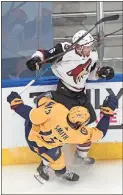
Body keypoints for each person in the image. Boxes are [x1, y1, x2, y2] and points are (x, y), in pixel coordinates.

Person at [26, 30, 114, 164]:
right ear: (78, 47)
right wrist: (36, 60)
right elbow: (44, 53)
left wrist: (101, 73)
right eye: (86, 47)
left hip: (80, 95)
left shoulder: (93, 55)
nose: (89, 49)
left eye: (90, 46)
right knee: (58, 128)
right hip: (64, 93)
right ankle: (46, 163)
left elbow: (89, 74)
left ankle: (80, 157)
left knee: (85, 125)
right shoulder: (64, 50)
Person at [7, 91, 117, 183]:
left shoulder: (58, 109)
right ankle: (44, 166)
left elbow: (30, 112)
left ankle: (50, 165)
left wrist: (16, 103)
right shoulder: (79, 134)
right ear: (80, 124)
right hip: (40, 145)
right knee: (57, 164)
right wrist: (107, 114)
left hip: (32, 134)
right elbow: (100, 132)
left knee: (33, 119)